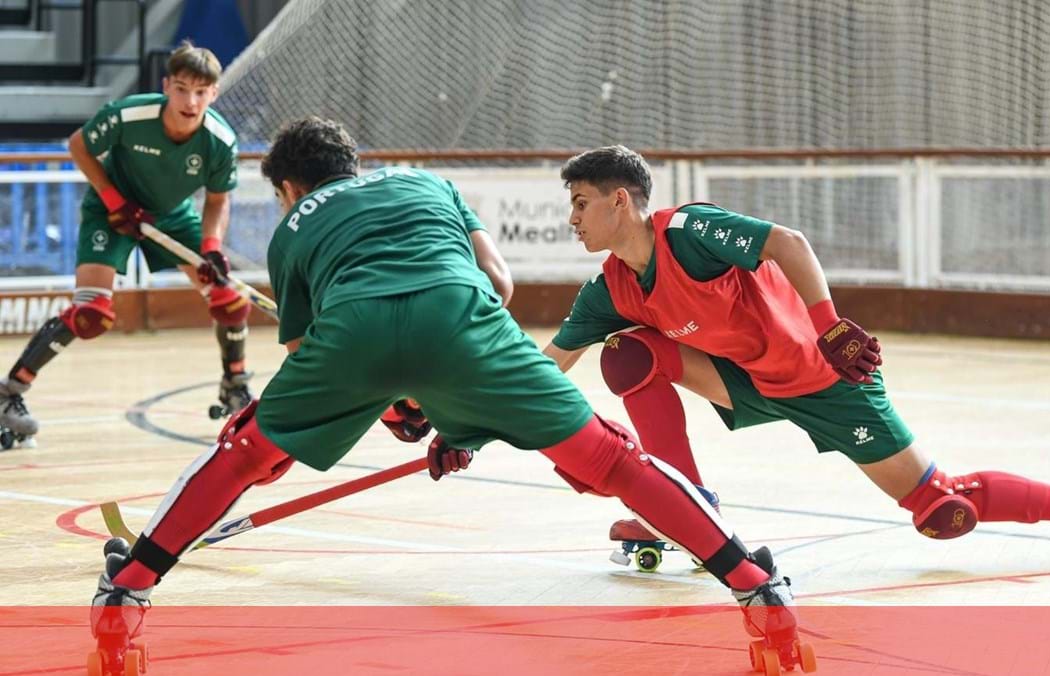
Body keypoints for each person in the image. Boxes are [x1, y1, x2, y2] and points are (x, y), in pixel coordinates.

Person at [87, 119, 814, 675]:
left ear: (287, 189)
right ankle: (757, 588)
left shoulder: (293, 228)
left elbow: (320, 359)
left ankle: (128, 592)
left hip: (355, 333)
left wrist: (404, 406)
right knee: (614, 461)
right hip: (466, 320)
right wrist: (459, 404)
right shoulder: (427, 183)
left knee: (248, 450)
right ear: (355, 168)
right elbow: (496, 282)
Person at [542, 145, 1050, 562]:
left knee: (941, 508)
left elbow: (787, 244)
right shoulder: (609, 289)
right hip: (742, 381)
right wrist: (477, 415)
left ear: (619, 200)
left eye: (580, 203)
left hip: (824, 377)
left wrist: (829, 325)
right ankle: (683, 502)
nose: (572, 219)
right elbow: (546, 366)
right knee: (629, 353)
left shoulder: (686, 231)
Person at [0, 41, 253, 444]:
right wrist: (114, 200)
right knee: (91, 314)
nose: (190, 101)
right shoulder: (130, 114)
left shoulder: (219, 140)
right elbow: (78, 145)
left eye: (201, 92)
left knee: (228, 298)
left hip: (170, 215)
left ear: (214, 93)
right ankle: (9, 395)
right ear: (166, 85)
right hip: (110, 211)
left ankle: (235, 385)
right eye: (183, 88)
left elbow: (219, 201)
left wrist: (212, 246)